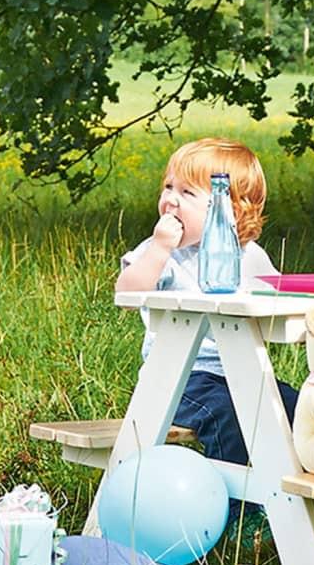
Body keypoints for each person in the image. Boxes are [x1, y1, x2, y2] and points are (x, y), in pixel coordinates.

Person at [116, 138, 299, 471]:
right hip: (181, 378)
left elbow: (278, 299)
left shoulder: (249, 256)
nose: (170, 200)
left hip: (245, 372)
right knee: (224, 415)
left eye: (187, 193)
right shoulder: (164, 255)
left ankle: (296, 495)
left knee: (294, 408)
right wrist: (158, 249)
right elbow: (127, 294)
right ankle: (237, 503)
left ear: (229, 208)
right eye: (168, 186)